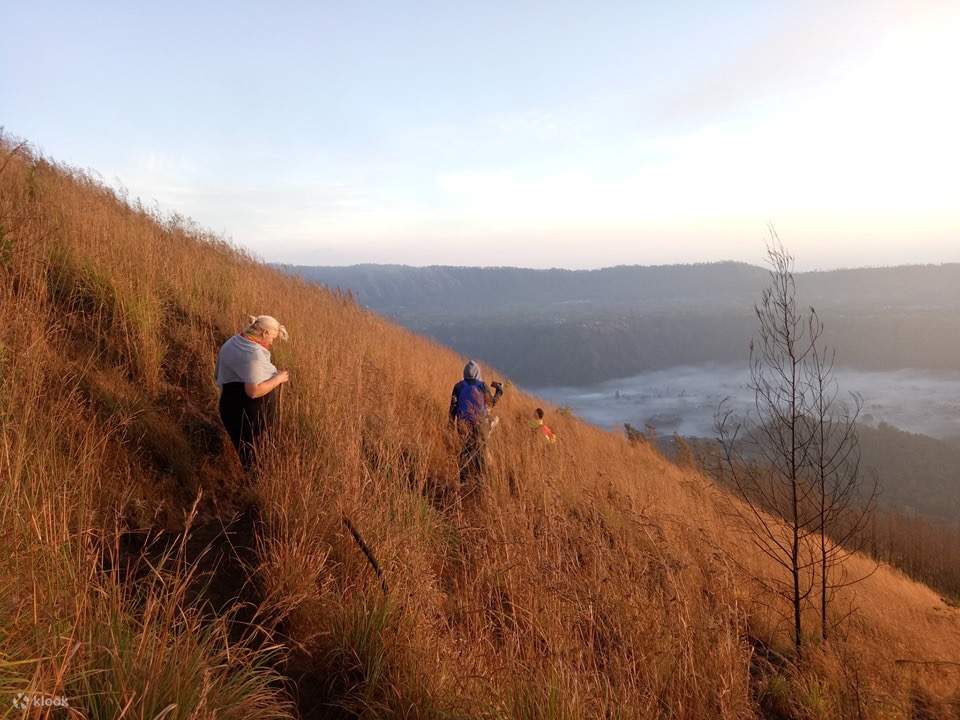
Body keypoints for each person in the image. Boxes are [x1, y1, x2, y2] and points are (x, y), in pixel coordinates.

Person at [215, 315, 290, 471]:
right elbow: (253, 391)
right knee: (256, 462)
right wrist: (278, 379)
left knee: (248, 457)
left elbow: (220, 376)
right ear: (264, 333)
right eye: (273, 338)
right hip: (247, 415)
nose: (272, 342)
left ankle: (252, 481)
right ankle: (256, 485)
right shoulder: (253, 354)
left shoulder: (234, 341)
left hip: (229, 406)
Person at [449, 360, 503, 483]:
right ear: (478, 373)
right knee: (480, 455)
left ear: (464, 372)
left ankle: (463, 482)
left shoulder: (458, 387)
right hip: (480, 426)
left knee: (465, 453)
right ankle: (481, 483)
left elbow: (452, 410)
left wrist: (450, 427)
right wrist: (499, 392)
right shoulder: (482, 386)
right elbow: (491, 403)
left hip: (463, 426)